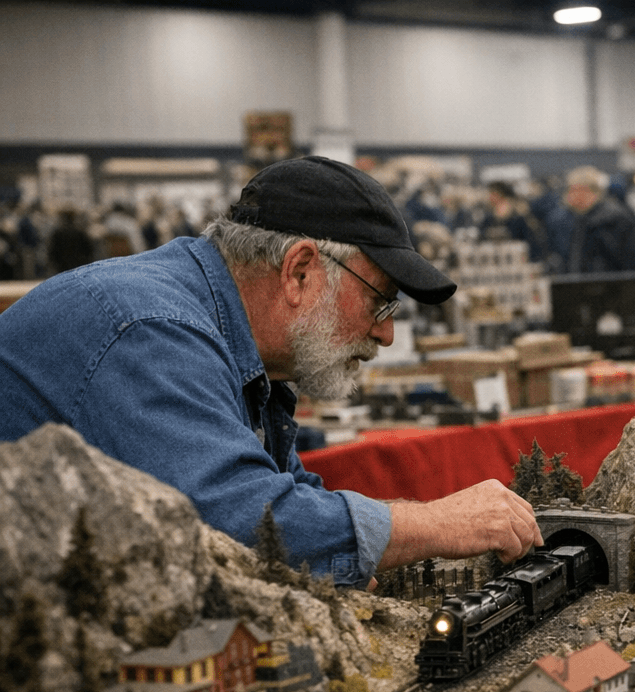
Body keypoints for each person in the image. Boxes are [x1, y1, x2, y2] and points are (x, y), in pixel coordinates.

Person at [0, 155, 542, 588]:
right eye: (381, 301)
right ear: (300, 271)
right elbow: (243, 523)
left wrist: (354, 552)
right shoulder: (152, 331)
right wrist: (439, 524)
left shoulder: (234, 340)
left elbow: (283, 494)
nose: (386, 333)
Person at [563, 166, 635, 274]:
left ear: (585, 190)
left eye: (572, 190)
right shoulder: (582, 218)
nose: (569, 196)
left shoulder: (611, 220)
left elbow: (631, 260)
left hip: (607, 286)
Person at [482, 181, 548, 263]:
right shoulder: (489, 218)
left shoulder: (518, 216)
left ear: (499, 194)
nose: (488, 197)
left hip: (518, 260)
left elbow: (530, 240)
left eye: (491, 194)